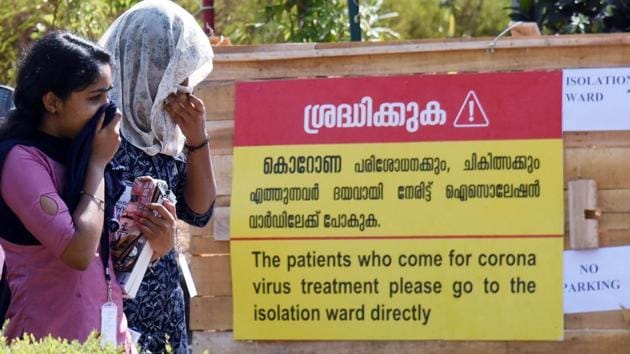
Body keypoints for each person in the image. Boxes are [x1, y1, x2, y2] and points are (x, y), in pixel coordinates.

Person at [0, 32, 138, 349]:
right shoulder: (22, 160)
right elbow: (78, 253)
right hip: (48, 340)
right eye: (94, 98)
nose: (110, 111)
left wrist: (153, 243)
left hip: (108, 338)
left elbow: (106, 258)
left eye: (109, 96)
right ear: (52, 102)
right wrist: (97, 165)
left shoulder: (77, 154)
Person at [100, 0, 217, 352]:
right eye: (174, 71)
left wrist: (197, 140)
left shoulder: (165, 134)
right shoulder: (101, 135)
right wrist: (150, 249)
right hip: (115, 318)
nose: (182, 85)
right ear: (142, 66)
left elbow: (199, 212)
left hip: (167, 315)